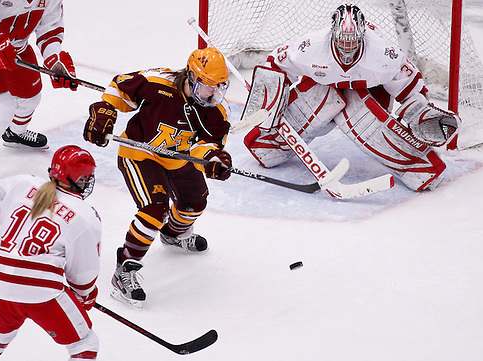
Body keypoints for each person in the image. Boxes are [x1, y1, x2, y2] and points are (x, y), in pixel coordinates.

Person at [243, 3, 460, 191]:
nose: (347, 48)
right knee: (265, 150)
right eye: (342, 42)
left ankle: (421, 168)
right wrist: (268, 102)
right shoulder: (310, 47)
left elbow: (410, 87)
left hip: (370, 96)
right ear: (333, 33)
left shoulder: (384, 53)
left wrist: (420, 112)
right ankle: (270, 144)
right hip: (323, 89)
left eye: (352, 42)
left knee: (368, 126)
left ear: (362, 35)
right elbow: (275, 65)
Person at [83, 47, 232, 307]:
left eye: (220, 86)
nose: (215, 94)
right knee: (155, 210)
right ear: (191, 77)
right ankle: (124, 272)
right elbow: (120, 87)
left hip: (178, 156)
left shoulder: (217, 111)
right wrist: (105, 109)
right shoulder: (157, 83)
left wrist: (212, 160)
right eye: (209, 86)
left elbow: (208, 145)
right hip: (139, 151)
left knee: (195, 203)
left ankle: (174, 235)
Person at [0, 145, 101, 360]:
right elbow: (83, 274)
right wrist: (85, 296)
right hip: (41, 293)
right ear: (81, 179)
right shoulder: (85, 215)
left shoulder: (22, 182)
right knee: (84, 344)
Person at [0, 0, 78, 156]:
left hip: (17, 50)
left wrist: (55, 61)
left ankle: (16, 133)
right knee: (1, 109)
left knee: (31, 97)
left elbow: (50, 30)